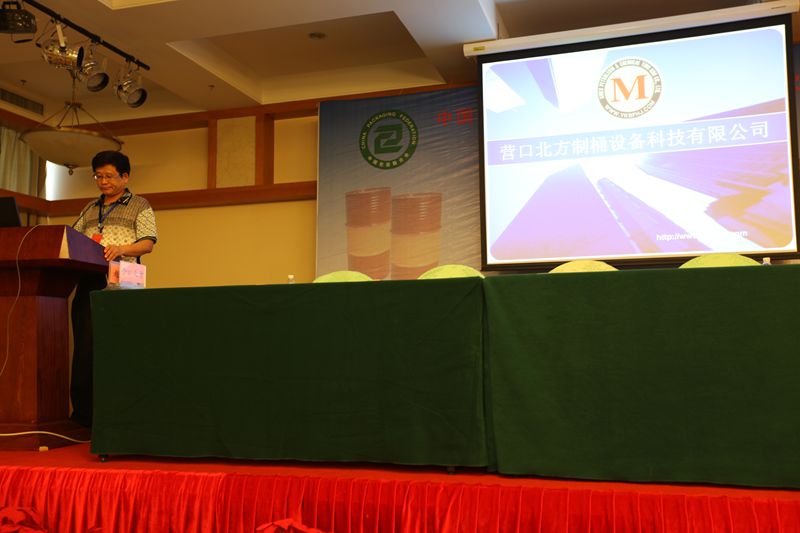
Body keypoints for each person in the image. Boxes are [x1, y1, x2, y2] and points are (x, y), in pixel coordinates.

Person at [70, 150, 157, 427]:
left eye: (109, 176)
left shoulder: (140, 205)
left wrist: (121, 249)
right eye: (98, 176)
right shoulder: (89, 208)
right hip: (90, 279)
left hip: (124, 282)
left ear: (125, 177)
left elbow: (148, 243)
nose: (103, 181)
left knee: (119, 348)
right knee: (85, 348)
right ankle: (83, 416)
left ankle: (120, 416)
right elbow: (71, 238)